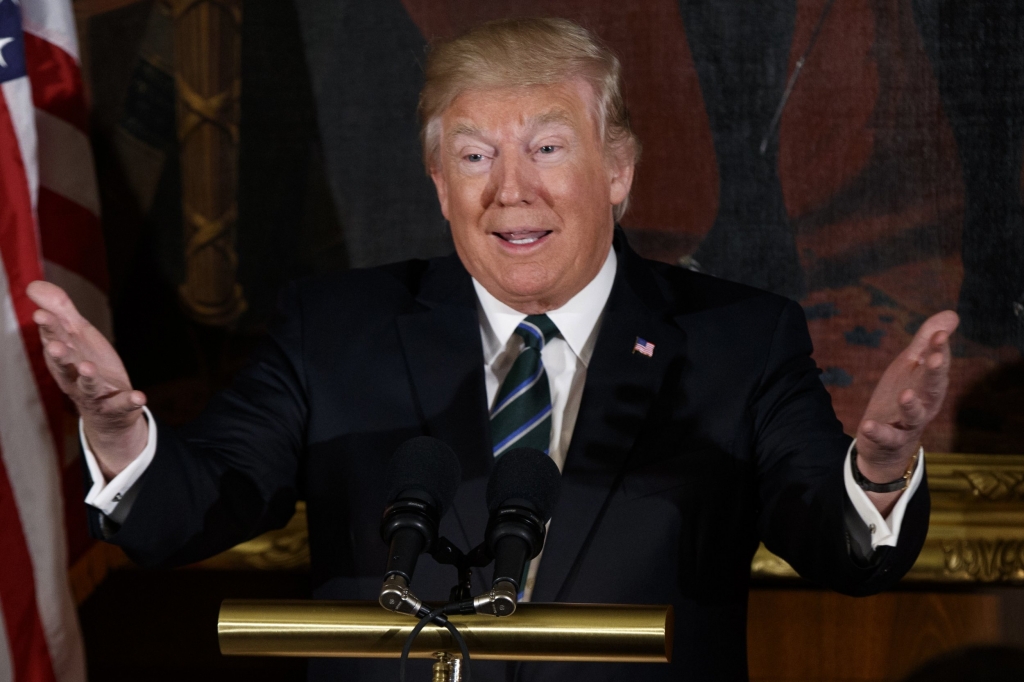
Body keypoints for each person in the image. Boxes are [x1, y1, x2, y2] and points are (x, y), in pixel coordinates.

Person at [29, 17, 958, 682]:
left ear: (619, 171)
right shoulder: (337, 328)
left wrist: (874, 473)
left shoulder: (738, 340)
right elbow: (185, 508)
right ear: (439, 182)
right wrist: (121, 439)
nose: (510, 191)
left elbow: (840, 548)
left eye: (548, 148)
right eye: (474, 157)